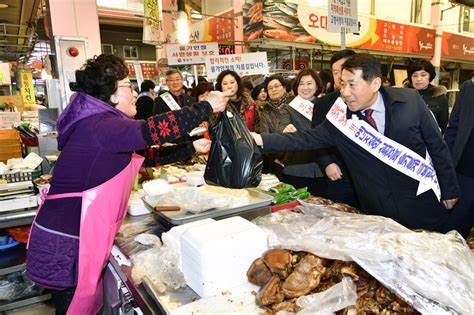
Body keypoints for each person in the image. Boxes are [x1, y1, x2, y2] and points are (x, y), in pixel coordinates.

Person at [25, 55, 228, 314]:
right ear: (110, 95)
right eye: (127, 86)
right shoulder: (100, 125)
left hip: (72, 237)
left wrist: (190, 147)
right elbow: (153, 130)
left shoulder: (98, 123)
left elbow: (145, 155)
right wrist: (205, 107)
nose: (134, 93)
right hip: (67, 245)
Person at [251, 54, 459, 233]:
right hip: (377, 211)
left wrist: (450, 189)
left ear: (375, 84)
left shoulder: (410, 102)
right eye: (342, 83)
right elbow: (304, 139)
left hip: (421, 203)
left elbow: (437, 146)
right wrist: (260, 140)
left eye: (352, 84)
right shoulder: (340, 118)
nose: (345, 91)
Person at [312, 49, 358, 206]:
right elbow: (315, 139)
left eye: (345, 69)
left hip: (369, 175)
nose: (340, 76)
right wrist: (327, 163)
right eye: (336, 72)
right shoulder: (323, 104)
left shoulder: (370, 100)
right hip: (338, 173)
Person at [279, 69, 327, 196]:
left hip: (323, 168)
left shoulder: (326, 106)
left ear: (317, 86)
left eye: (309, 83)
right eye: (301, 84)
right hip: (296, 168)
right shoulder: (289, 108)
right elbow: (283, 124)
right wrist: (285, 128)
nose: (305, 87)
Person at [444, 80, 474, 238]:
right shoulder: (469, 88)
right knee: (453, 232)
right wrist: (446, 165)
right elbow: (453, 126)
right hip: (464, 172)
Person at [259, 75, 292, 178]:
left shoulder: (294, 104)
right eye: (270, 88)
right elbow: (265, 136)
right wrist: (278, 157)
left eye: (276, 86)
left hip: (297, 159)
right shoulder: (265, 111)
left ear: (284, 87)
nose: (274, 89)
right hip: (276, 160)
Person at [407, 59, 449, 133]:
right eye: (415, 75)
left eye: (423, 75)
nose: (419, 79)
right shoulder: (403, 96)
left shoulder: (440, 97)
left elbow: (442, 125)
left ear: (430, 76)